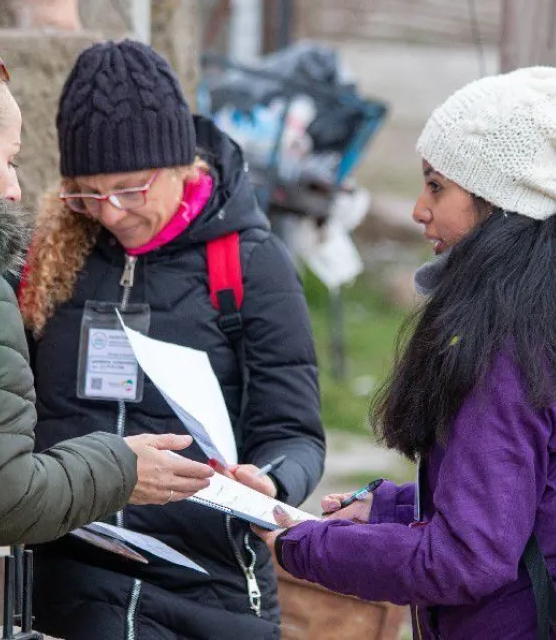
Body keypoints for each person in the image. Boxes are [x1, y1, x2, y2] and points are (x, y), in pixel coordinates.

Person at [253, 66, 556, 639]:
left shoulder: (516, 354)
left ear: (500, 202)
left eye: (437, 187)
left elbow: (465, 560)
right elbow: (541, 502)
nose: (419, 210)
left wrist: (306, 546)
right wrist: (392, 511)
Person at [18, 40, 326, 640]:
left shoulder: (249, 264)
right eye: (86, 191)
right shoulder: (49, 255)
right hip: (67, 589)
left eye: (131, 188)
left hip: (210, 594)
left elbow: (294, 432)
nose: (108, 212)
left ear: (181, 163)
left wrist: (270, 480)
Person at [0, 44, 213, 555]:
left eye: (131, 189)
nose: (14, 187)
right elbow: (3, 496)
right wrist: (122, 468)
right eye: (10, 160)